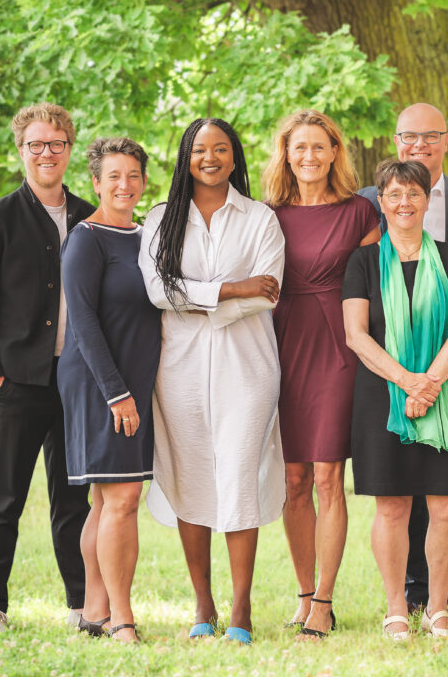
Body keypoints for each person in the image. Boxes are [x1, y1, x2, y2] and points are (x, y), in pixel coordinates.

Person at [139, 117, 286, 645]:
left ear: (234, 156)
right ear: (186, 156)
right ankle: (204, 604)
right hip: (178, 371)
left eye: (220, 149)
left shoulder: (260, 219)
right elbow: (157, 290)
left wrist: (200, 299)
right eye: (200, 149)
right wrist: (231, 290)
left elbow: (268, 294)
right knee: (191, 475)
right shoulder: (160, 219)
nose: (210, 157)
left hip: (247, 368)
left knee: (241, 474)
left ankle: (242, 609)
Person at [0, 102, 94, 638]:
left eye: (56, 143)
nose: (46, 153)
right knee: (3, 502)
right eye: (36, 144)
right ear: (21, 151)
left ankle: (82, 605)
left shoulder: (90, 215)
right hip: (16, 384)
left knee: (72, 503)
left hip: (75, 383)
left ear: (69, 150)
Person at [359, 103, 448, 623]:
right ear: (395, 142)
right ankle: (410, 593)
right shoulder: (367, 206)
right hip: (389, 376)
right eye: (408, 137)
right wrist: (407, 379)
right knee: (397, 495)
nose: (418, 146)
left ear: (446, 140)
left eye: (429, 136)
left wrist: (433, 380)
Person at [263, 110, 380, 639]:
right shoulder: (266, 215)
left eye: (319, 147)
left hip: (338, 345)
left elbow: (382, 290)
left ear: (335, 152)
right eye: (299, 147)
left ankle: (326, 601)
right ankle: (304, 592)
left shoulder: (361, 213)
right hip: (280, 347)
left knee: (329, 475)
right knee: (293, 480)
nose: (308, 156)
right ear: (286, 154)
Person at [58, 137, 161, 643]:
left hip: (138, 380)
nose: (124, 185)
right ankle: (122, 616)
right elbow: (82, 321)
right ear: (96, 183)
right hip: (100, 381)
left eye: (133, 176)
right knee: (121, 496)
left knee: (106, 500)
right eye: (113, 177)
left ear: (144, 181)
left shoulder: (148, 237)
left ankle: (94, 611)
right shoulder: (86, 238)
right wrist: (116, 392)